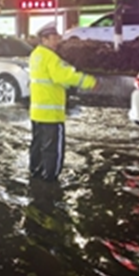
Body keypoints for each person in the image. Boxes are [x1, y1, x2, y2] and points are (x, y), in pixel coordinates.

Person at [29, 21, 97, 181]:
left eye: (57, 37)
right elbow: (64, 76)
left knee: (37, 145)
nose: (57, 41)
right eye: (53, 38)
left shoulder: (35, 55)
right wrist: (89, 81)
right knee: (53, 150)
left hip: (37, 113)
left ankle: (35, 174)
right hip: (52, 114)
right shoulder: (51, 58)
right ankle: (51, 180)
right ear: (44, 39)